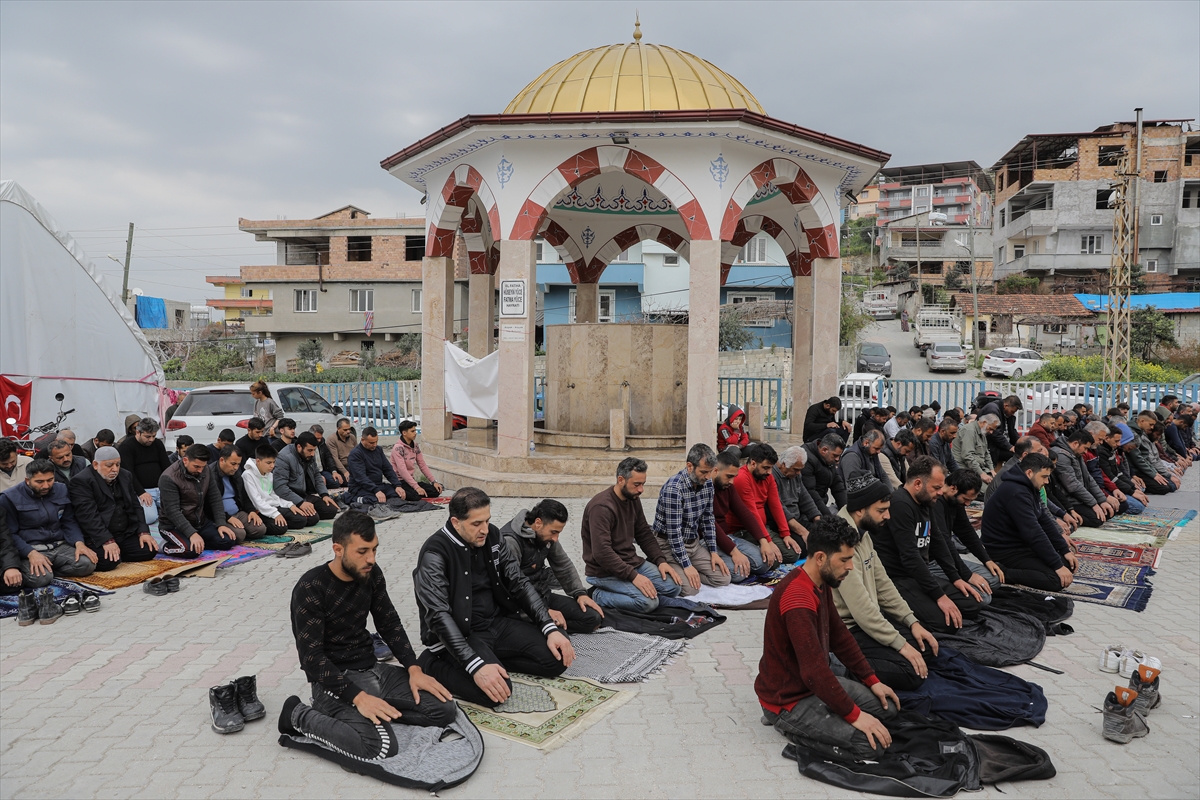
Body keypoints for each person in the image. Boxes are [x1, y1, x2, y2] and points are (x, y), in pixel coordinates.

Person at [280, 511, 457, 757]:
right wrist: (358, 697)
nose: (371, 559)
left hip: (373, 670)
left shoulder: (371, 573)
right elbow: (312, 659)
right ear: (338, 549)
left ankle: (374, 711)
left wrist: (414, 668)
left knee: (445, 710)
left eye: (374, 549)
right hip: (334, 681)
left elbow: (389, 622)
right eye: (362, 551)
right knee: (379, 747)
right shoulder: (311, 587)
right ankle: (298, 715)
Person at [413, 488, 576, 708]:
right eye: (476, 523)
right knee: (496, 694)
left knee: (557, 658)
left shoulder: (493, 536)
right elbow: (438, 616)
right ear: (456, 522)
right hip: (461, 634)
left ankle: (492, 661)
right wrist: (475, 665)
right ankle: (431, 664)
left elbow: (518, 582)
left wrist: (548, 627)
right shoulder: (435, 553)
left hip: (496, 623)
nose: (484, 529)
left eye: (487, 521)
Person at [755, 516, 901, 759]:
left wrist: (871, 679)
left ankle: (823, 715)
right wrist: (855, 716)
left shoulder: (820, 582)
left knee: (888, 708)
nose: (850, 566)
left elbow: (840, 636)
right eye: (844, 560)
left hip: (813, 684)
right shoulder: (798, 598)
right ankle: (785, 724)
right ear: (821, 558)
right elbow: (814, 672)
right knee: (871, 746)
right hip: (788, 700)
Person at [834, 475, 939, 691]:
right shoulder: (841, 542)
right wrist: (901, 646)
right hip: (847, 630)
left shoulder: (863, 531)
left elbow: (882, 583)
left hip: (866, 621)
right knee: (911, 673)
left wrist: (911, 621)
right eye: (881, 510)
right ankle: (839, 666)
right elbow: (861, 610)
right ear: (860, 510)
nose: (888, 516)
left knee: (925, 647)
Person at [874, 457, 983, 634]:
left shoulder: (926, 501)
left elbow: (938, 542)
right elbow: (910, 558)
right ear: (918, 483)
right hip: (898, 578)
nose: (941, 492)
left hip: (919, 574)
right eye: (937, 487)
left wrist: (955, 578)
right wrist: (939, 596)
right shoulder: (900, 504)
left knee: (973, 605)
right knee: (948, 624)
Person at [580, 458, 682, 612]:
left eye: (643, 484)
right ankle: (597, 594)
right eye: (637, 484)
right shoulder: (601, 507)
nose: (641, 490)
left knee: (674, 587)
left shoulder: (632, 498)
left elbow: (644, 533)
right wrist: (634, 577)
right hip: (604, 571)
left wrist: (661, 561)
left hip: (631, 563)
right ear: (621, 480)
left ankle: (627, 591)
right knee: (648, 603)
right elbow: (602, 553)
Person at [499, 500, 604, 633]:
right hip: (521, 606)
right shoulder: (510, 542)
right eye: (553, 532)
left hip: (544, 595)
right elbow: (511, 587)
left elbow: (563, 565)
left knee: (593, 618)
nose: (555, 538)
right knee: (558, 636)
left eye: (558, 533)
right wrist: (544, 612)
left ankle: (548, 628)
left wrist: (580, 593)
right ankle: (540, 629)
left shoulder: (545, 536)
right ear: (538, 523)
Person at [981, 453, 1077, 592]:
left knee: (1067, 564)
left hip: (1019, 544)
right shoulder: (1016, 492)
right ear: (1029, 473)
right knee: (1055, 580)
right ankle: (1003, 573)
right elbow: (1033, 532)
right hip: (1004, 550)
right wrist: (1057, 565)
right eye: (1044, 476)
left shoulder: (1028, 486)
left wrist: (1064, 549)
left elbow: (1044, 520)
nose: (1047, 481)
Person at [0, 459, 96, 585]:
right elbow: (9, 534)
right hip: (30, 549)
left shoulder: (61, 489)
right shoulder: (9, 498)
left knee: (88, 564)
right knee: (41, 578)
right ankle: (45, 572)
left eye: (50, 480)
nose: (46, 486)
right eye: (39, 482)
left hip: (58, 545)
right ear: (27, 480)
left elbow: (69, 521)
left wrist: (79, 543)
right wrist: (30, 553)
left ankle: (51, 572)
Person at [651, 444, 729, 595]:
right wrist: (687, 565)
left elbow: (708, 519)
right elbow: (674, 534)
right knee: (690, 590)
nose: (707, 477)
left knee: (723, 578)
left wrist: (713, 551)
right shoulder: (674, 489)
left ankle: (686, 572)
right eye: (704, 472)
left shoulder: (707, 484)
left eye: (710, 472)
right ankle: (660, 564)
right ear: (689, 466)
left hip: (693, 544)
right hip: (668, 545)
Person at [68, 446, 157, 572]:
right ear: (95, 465)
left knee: (149, 549)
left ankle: (118, 553)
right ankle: (115, 554)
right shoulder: (81, 481)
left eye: (117, 464)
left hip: (124, 533)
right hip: (98, 535)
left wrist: (143, 532)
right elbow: (88, 516)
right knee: (108, 562)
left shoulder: (125, 475)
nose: (115, 469)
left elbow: (136, 506)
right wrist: (107, 540)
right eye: (109, 465)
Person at [731, 443, 806, 564]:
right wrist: (766, 541)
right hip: (743, 530)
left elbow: (776, 506)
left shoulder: (767, 477)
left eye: (771, 468)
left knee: (793, 554)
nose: (770, 472)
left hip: (762, 527)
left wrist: (785, 533)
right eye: (766, 468)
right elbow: (752, 513)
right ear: (753, 463)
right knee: (770, 561)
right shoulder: (742, 478)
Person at [158, 444, 238, 557]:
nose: (200, 470)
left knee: (227, 540)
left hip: (199, 522)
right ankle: (165, 546)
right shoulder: (168, 477)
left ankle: (197, 542)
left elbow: (215, 498)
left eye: (203, 467)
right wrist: (191, 533)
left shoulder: (206, 470)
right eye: (196, 467)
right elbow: (173, 511)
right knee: (191, 551)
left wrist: (221, 523)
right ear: (185, 460)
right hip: (173, 526)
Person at [932, 470, 1002, 593]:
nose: (968, 504)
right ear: (953, 488)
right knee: (983, 596)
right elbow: (944, 543)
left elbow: (966, 531)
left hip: (945, 557)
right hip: (933, 560)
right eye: (965, 499)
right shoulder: (935, 503)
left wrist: (987, 559)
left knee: (994, 579)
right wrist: (967, 575)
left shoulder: (955, 501)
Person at [710, 450, 776, 581]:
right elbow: (710, 525)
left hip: (727, 537)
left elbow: (744, 513)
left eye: (734, 477)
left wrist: (763, 541)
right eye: (729, 476)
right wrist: (734, 552)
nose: (732, 482)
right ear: (715, 471)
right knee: (738, 573)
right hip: (708, 540)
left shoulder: (728, 487)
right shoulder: (705, 488)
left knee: (765, 562)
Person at [242, 444, 313, 532]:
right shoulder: (248, 475)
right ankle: (278, 523)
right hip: (260, 510)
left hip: (274, 506)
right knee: (281, 528)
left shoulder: (269, 474)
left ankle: (281, 522)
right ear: (258, 461)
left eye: (274, 462)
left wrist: (289, 505)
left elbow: (274, 495)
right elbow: (257, 501)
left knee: (302, 520)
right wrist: (275, 514)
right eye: (269, 463)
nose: (272, 466)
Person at [274, 433, 340, 521]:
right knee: (312, 518)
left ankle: (309, 511)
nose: (312, 454)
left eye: (314, 450)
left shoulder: (309, 455)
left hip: (304, 495)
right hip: (289, 498)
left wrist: (324, 494)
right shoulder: (284, 457)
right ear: (299, 447)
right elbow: (280, 487)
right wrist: (300, 503)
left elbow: (316, 475)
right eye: (309, 450)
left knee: (331, 510)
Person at [1051, 431, 1111, 527]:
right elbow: (1073, 485)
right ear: (1075, 444)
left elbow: (1088, 478)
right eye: (1085, 448)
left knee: (1107, 511)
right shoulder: (1061, 455)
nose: (1086, 452)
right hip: (1068, 499)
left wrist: (1102, 500)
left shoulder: (1076, 453)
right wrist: (1093, 504)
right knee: (1097, 519)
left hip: (1078, 497)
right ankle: (1070, 520)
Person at [207, 447, 268, 542]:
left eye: (238, 464)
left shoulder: (235, 473)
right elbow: (209, 505)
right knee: (240, 535)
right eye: (233, 464)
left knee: (260, 529)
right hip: (221, 516)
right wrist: (228, 518)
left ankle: (242, 531)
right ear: (222, 460)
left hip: (238, 512)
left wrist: (251, 511)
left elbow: (243, 495)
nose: (236, 467)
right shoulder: (210, 474)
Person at [117, 417, 169, 526]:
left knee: (175, 513)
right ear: (138, 432)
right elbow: (128, 473)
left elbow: (166, 466)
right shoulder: (127, 446)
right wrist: (141, 492)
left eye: (154, 436)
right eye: (147, 436)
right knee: (149, 518)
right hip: (143, 491)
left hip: (161, 488)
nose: (151, 440)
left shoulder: (158, 444)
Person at [770, 445, 822, 540]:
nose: (798, 473)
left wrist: (817, 518)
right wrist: (803, 532)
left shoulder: (796, 475)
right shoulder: (772, 477)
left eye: (800, 470)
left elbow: (805, 498)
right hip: (782, 523)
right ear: (784, 464)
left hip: (798, 519)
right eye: (796, 469)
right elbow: (779, 508)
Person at [347, 427, 404, 510]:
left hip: (378, 485)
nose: (374, 445)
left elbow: (387, 469)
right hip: (360, 487)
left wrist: (397, 485)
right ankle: (350, 498)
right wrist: (376, 490)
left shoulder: (378, 450)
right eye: (371, 443)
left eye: (376, 442)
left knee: (399, 494)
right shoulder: (355, 454)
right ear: (363, 440)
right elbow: (360, 477)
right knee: (374, 500)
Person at [1096, 424, 1148, 514]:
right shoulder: (1101, 452)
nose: (1119, 444)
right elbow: (1109, 477)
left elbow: (1119, 471)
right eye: (1116, 441)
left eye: (1120, 441)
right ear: (1106, 438)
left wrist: (1132, 487)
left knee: (1140, 489)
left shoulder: (1112, 449)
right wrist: (1131, 491)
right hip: (1106, 486)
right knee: (1137, 507)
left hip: (1113, 483)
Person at [389, 420, 444, 500]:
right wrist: (416, 487)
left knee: (435, 490)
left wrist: (433, 481)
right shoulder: (398, 448)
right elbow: (402, 471)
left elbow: (422, 464)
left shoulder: (415, 446)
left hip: (411, 481)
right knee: (415, 496)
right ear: (404, 433)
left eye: (415, 430)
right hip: (400, 481)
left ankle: (416, 491)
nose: (415, 433)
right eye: (412, 431)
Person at [801, 434, 846, 518]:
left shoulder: (828, 458)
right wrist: (828, 517)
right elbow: (810, 493)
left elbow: (837, 485)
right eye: (835, 456)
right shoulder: (807, 458)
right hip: (808, 510)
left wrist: (847, 511)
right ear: (824, 450)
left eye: (839, 456)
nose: (837, 459)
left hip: (822, 503)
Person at [952, 413, 998, 491]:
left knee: (998, 486)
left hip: (977, 468)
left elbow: (986, 453)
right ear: (984, 423)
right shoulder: (969, 431)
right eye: (990, 429)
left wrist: (991, 469)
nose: (991, 432)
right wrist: (981, 474)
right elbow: (967, 456)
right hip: (965, 470)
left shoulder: (982, 431)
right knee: (989, 491)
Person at [977, 395, 1023, 467]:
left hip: (1000, 445)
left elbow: (1012, 431)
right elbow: (995, 434)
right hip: (991, 446)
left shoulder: (1007, 415)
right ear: (1006, 406)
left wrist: (1021, 443)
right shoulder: (992, 410)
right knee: (1015, 456)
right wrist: (1009, 447)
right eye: (1012, 411)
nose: (1013, 414)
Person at [330, 419, 357, 485]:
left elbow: (358, 453)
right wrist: (345, 472)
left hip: (353, 465)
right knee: (346, 480)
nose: (348, 431)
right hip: (341, 467)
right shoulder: (332, 439)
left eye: (349, 429)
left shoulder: (352, 437)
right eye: (345, 430)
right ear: (338, 429)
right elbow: (335, 458)